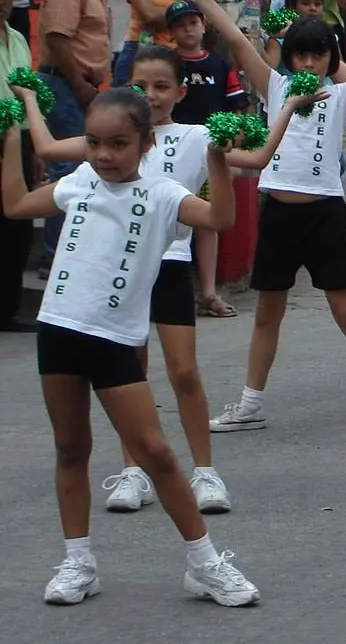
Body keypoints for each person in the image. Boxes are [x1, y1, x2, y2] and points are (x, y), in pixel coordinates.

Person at [17, 45, 315, 515]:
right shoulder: (112, 134)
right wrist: (28, 101)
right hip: (118, 270)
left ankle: (205, 471)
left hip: (169, 262)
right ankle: (133, 471)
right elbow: (51, 149)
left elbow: (255, 158)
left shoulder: (195, 136)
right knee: (128, 372)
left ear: (180, 91)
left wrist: (291, 107)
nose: (150, 96)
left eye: (161, 87)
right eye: (139, 86)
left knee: (183, 372)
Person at [0, 88, 259, 607]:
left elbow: (221, 220)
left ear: (145, 143)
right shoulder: (78, 183)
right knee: (71, 449)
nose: (103, 155)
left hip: (114, 341)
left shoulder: (164, 195)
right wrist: (11, 132)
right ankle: (78, 563)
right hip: (59, 330)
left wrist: (215, 159)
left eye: (118, 144)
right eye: (94, 142)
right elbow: (14, 204)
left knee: (158, 453)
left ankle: (205, 563)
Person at [186, 0, 346, 440]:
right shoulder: (275, 86)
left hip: (325, 215)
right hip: (278, 212)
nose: (310, 64)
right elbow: (236, 40)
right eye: (302, 55)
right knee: (266, 313)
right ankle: (250, 403)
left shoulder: (344, 95)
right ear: (289, 58)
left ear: (330, 59)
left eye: (319, 56)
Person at [164, 1, 250, 317]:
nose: (187, 29)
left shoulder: (219, 65)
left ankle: (208, 292)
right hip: (171, 155)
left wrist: (234, 155)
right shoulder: (167, 65)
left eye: (192, 22)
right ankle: (159, 289)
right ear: (171, 32)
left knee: (208, 223)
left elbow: (236, 109)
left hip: (208, 157)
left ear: (203, 26)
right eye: (179, 24)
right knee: (166, 219)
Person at [37, 0, 113, 276]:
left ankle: (69, 248)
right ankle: (55, 254)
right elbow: (58, 39)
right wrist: (80, 85)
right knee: (68, 167)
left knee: (80, 166)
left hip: (81, 84)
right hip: (66, 84)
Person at [0, 0, 35, 331]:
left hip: (18, 136)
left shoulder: (20, 39)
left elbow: (29, 98)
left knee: (18, 225)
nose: (2, 0)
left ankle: (7, 308)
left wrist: (33, 147)